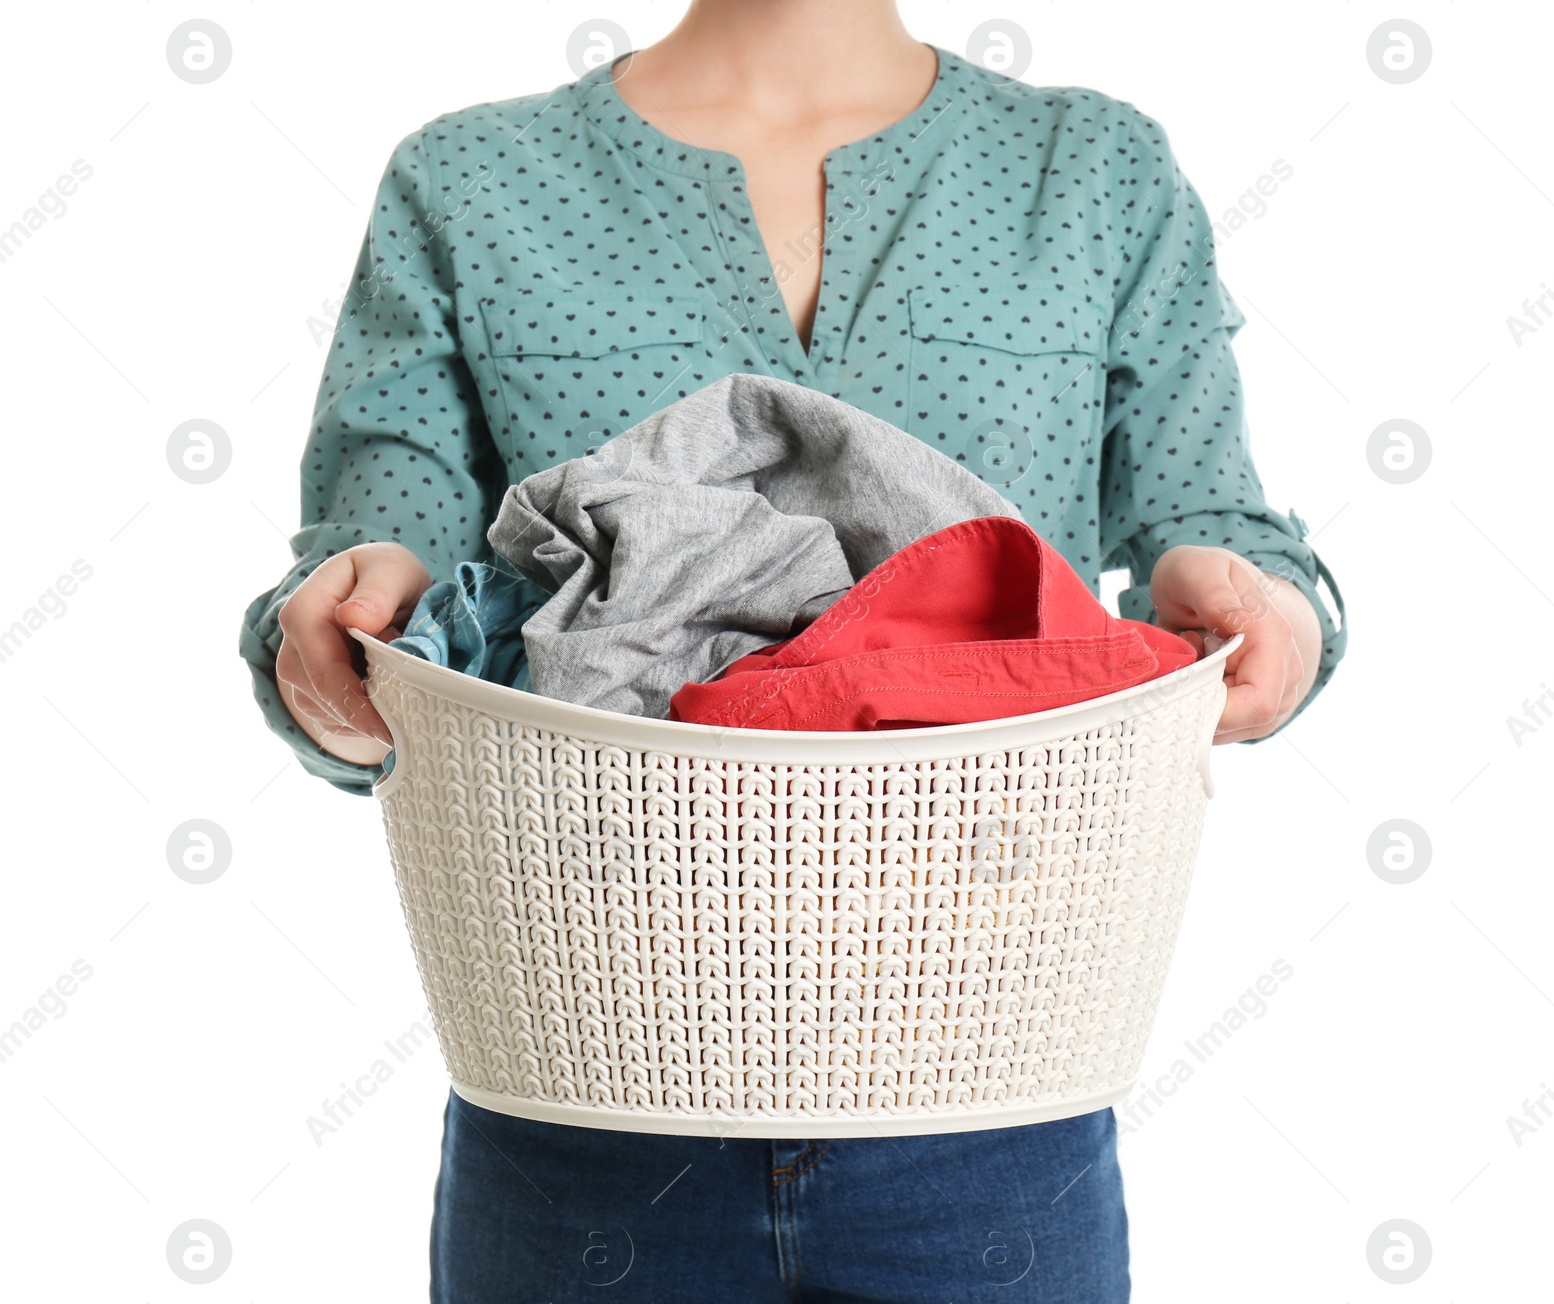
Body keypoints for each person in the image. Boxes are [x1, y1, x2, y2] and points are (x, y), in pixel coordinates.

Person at [239, 3, 1348, 1299]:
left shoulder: (1095, 175)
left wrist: (1274, 618)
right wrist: (328, 654)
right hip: (588, 1093)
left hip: (992, 1090)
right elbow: (378, 588)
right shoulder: (471, 185)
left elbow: (1219, 534)